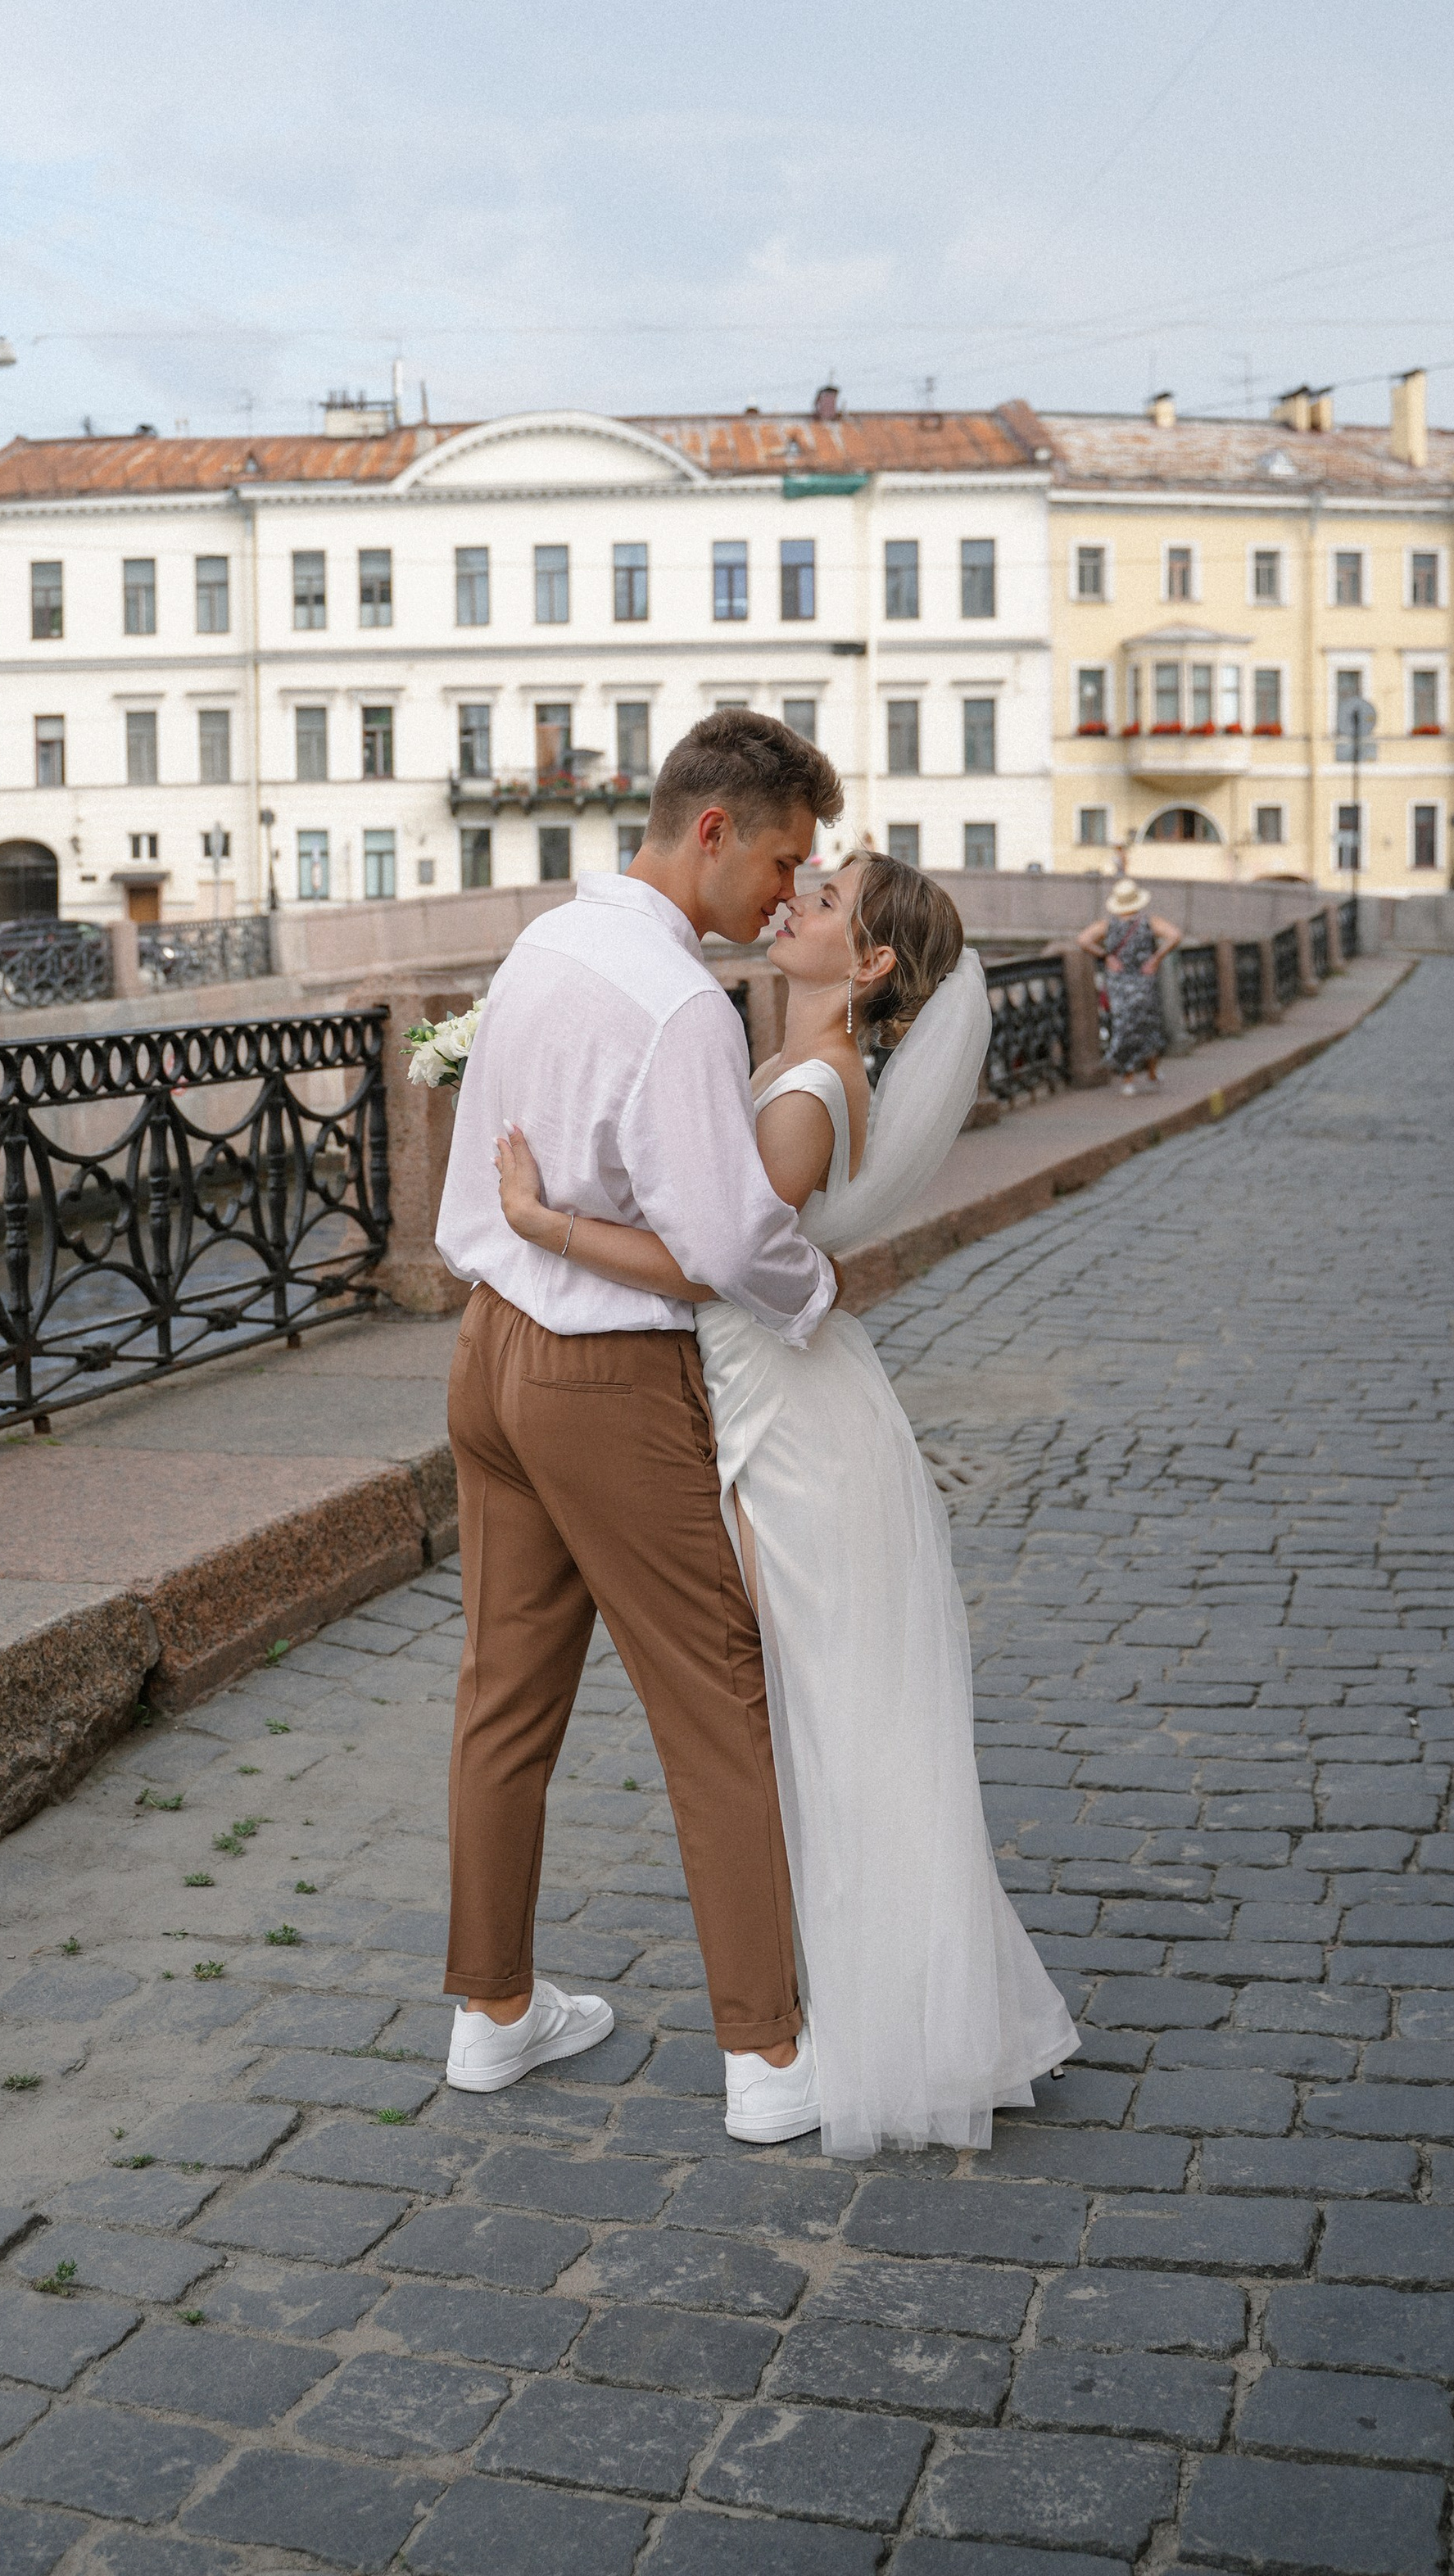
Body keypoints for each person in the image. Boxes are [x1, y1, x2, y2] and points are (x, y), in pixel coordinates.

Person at [496, 849, 1080, 2155]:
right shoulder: (802, 1069)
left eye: (822, 904)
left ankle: (889, 2022)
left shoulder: (809, 1092)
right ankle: (884, 2003)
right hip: (773, 1402)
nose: (791, 903)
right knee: (826, 1711)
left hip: (785, 1428)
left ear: (868, 964)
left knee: (827, 1714)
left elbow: (713, 1268)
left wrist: (544, 1223)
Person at [433, 709, 840, 2146]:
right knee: (717, 1698)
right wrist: (818, 1291)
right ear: (713, 830)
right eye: (782, 862)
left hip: (489, 1351)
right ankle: (770, 2054)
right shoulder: (680, 1002)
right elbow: (727, 1240)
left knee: (503, 1696)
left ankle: (491, 2013)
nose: (787, 898)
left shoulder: (546, 943)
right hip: (603, 1378)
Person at [1078, 875, 1180, 1096]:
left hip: (1119, 983)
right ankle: (1152, 1073)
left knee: (1124, 1028)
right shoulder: (1149, 922)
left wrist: (1106, 957)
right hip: (1144, 981)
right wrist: (1156, 958)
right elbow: (1175, 935)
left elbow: (1083, 940)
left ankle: (1128, 1079)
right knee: (1149, 1026)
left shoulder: (1108, 925)